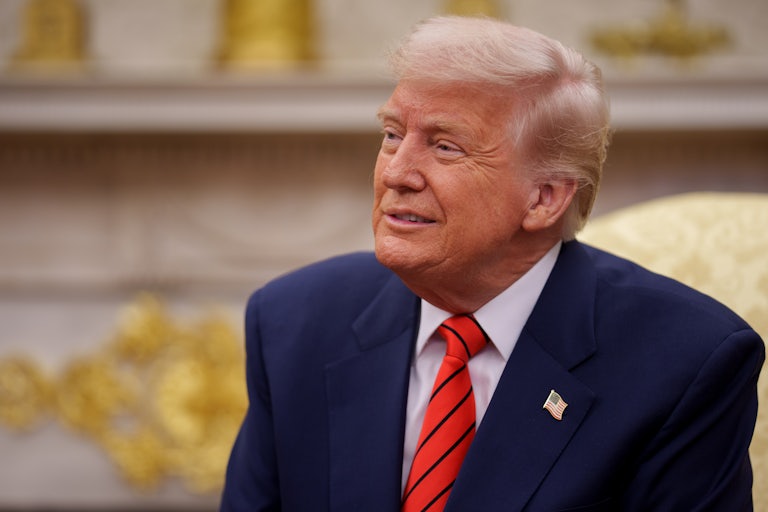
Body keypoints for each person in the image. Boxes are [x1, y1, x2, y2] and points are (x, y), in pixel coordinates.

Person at [220, 16, 764, 512]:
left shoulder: (687, 362)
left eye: (446, 147)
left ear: (544, 198)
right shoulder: (294, 322)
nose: (397, 173)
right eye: (391, 135)